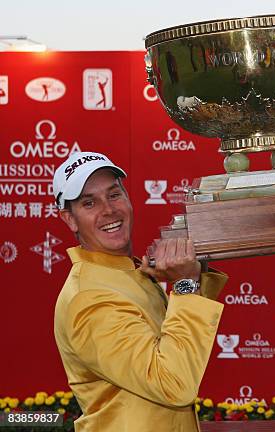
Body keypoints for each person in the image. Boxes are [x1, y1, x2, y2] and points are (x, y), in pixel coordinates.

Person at [52, 151, 227, 431]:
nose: (108, 210)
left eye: (114, 194)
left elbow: (177, 349)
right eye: (89, 203)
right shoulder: (89, 298)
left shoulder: (124, 272)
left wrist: (194, 272)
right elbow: (173, 383)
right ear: (70, 219)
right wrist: (185, 284)